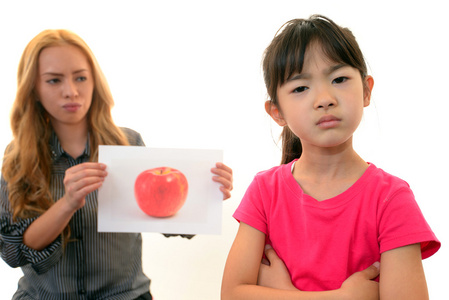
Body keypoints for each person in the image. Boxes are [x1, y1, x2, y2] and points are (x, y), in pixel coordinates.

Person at [0, 29, 233, 300]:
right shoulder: (18, 158)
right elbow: (13, 252)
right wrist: (67, 204)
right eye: (54, 80)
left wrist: (208, 194)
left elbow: (164, 217)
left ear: (94, 81)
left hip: (124, 295)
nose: (71, 91)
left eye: (81, 78)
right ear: (34, 89)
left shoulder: (127, 144)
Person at [221, 15, 440, 299]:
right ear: (277, 112)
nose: (324, 98)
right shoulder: (265, 191)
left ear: (366, 89)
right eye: (300, 88)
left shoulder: (391, 198)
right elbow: (231, 294)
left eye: (339, 79)